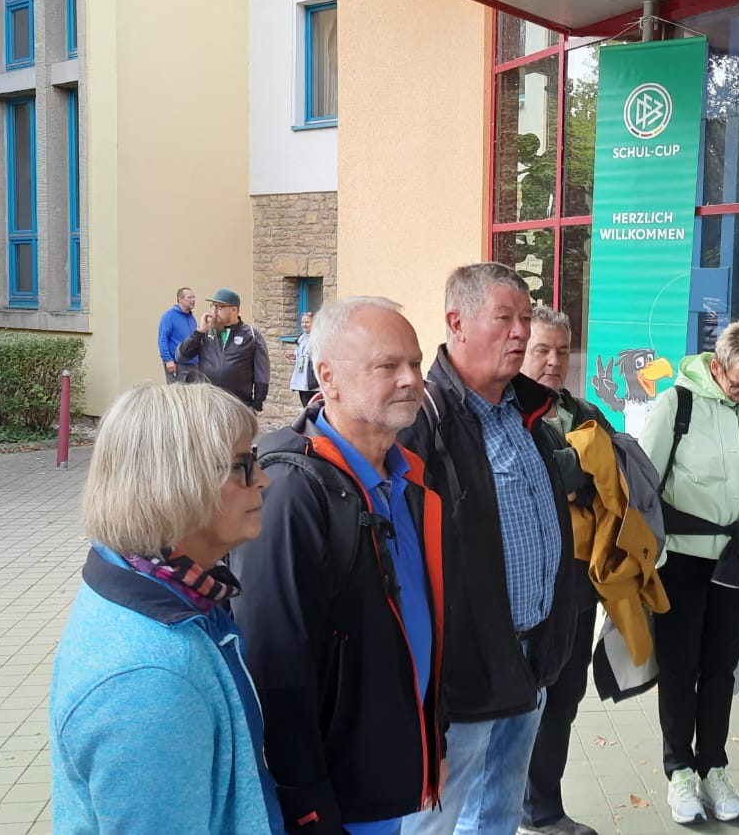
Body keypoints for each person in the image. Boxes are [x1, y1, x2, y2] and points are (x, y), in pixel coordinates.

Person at [233, 297, 446, 835]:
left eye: (415, 363)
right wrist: (307, 805)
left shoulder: (407, 475)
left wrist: (429, 744)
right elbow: (274, 668)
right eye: (387, 366)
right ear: (327, 377)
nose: (411, 379)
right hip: (333, 801)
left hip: (387, 778)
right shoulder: (291, 491)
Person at [49, 381, 280, 834]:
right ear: (176, 481)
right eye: (241, 465)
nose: (262, 479)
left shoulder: (155, 586)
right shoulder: (151, 679)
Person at [398, 263, 576, 835]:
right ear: (457, 324)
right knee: (435, 823)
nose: (521, 332)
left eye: (524, 318)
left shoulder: (525, 413)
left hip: (529, 659)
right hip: (460, 677)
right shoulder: (421, 423)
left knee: (498, 814)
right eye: (504, 318)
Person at [639, 321, 739, 825]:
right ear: (717, 367)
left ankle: (713, 767)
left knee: (721, 669)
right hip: (680, 558)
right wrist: (650, 557)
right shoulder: (675, 404)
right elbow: (643, 485)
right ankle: (679, 771)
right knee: (680, 668)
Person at [518, 305, 613, 835]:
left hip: (578, 589)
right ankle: (506, 806)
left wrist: (578, 481)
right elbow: (530, 484)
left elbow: (617, 476)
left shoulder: (584, 411)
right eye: (541, 350)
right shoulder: (505, 414)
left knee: (563, 700)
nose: (554, 361)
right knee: (519, 703)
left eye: (561, 350)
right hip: (525, 592)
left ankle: (543, 809)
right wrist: (577, 475)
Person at [178, 287, 271, 412]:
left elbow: (262, 372)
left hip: (238, 405)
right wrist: (199, 332)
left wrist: (256, 405)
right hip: (208, 405)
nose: (214, 311)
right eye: (213, 306)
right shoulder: (205, 332)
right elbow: (181, 356)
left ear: (234, 310)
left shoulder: (251, 335)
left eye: (220, 307)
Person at [160, 286, 201, 382]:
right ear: (180, 299)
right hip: (177, 365)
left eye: (194, 297)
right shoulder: (169, 316)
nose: (193, 300)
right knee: (178, 391)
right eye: (189, 297)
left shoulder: (191, 318)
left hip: (193, 366)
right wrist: (168, 360)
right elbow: (163, 340)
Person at [288, 311, 320, 406]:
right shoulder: (301, 338)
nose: (304, 324)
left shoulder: (318, 338)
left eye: (307, 322)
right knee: (306, 408)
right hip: (302, 381)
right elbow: (299, 354)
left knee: (314, 408)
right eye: (302, 322)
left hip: (313, 382)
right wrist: (294, 356)